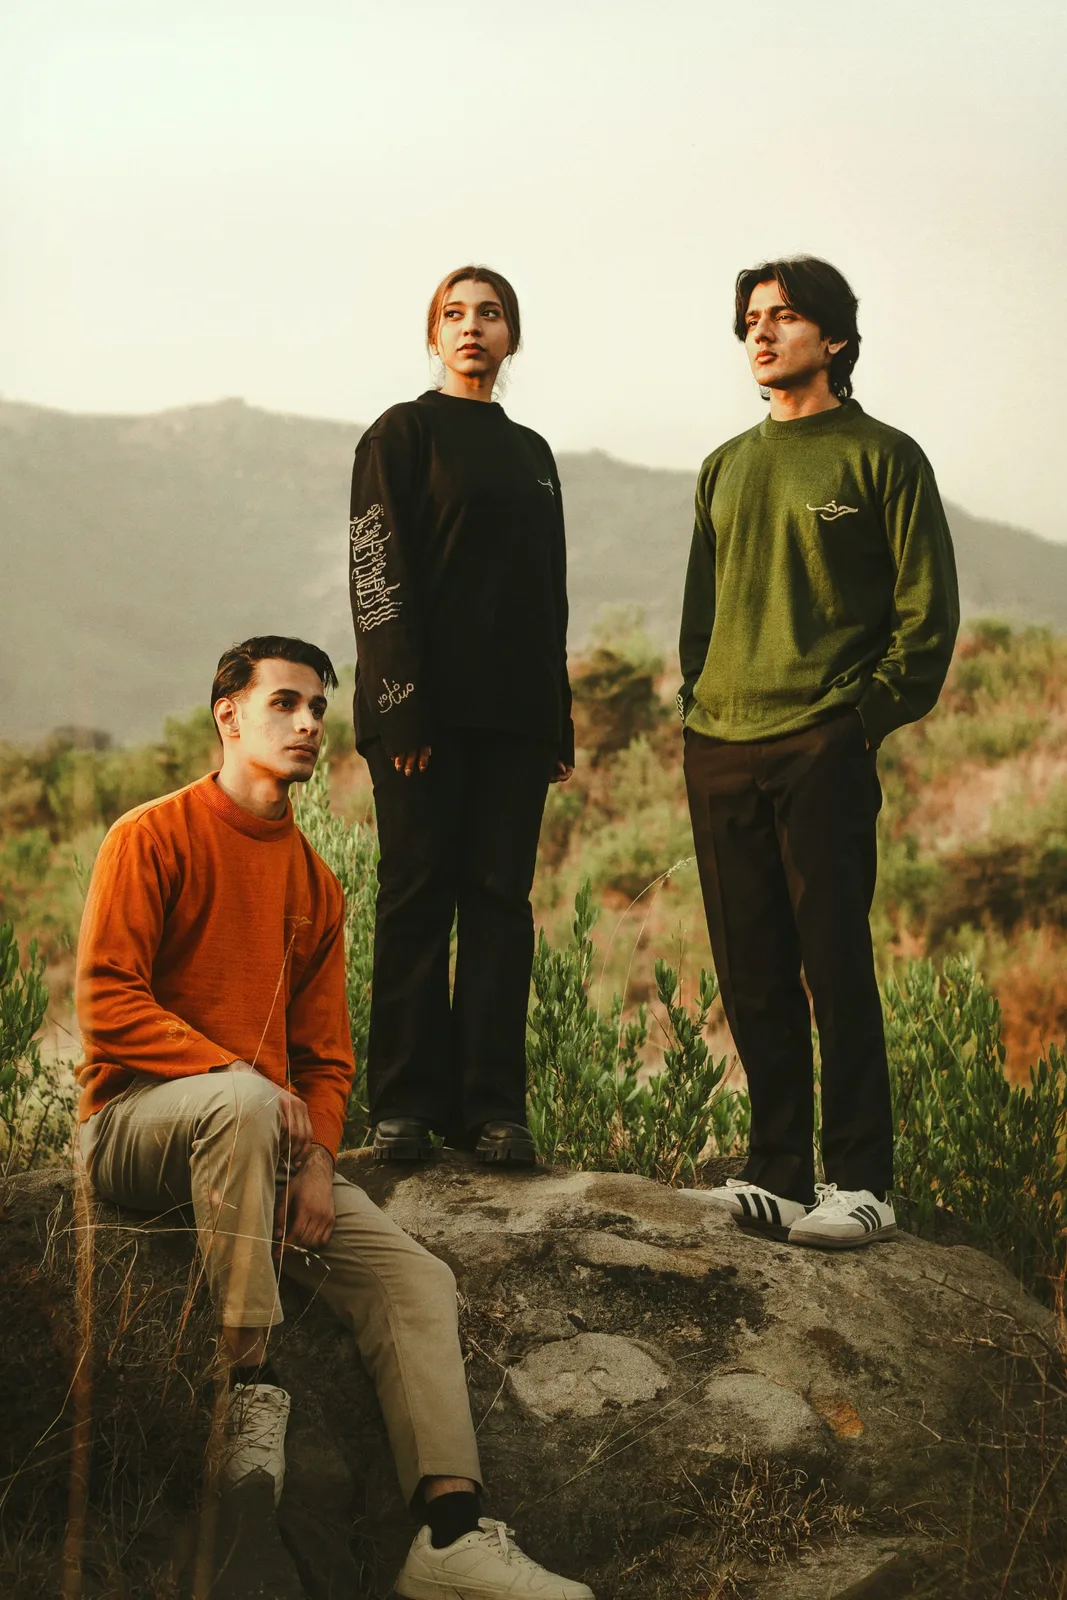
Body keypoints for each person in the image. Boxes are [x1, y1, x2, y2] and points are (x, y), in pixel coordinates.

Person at [75, 636, 593, 1600]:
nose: (310, 723)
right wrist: (251, 1091)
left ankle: (447, 1534)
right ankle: (245, 1390)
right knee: (237, 1101)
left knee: (412, 1278)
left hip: (261, 1140)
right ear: (229, 715)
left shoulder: (314, 881)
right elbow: (107, 1003)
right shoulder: (151, 835)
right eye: (286, 703)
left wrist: (315, 1160)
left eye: (319, 706)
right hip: (132, 1125)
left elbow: (323, 1059)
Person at [679, 257, 959, 1250]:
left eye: (784, 318)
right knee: (748, 967)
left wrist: (857, 720)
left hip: (820, 743)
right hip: (719, 743)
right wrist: (695, 708)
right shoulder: (722, 464)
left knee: (831, 958)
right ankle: (775, 1172)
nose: (760, 335)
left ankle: (861, 1179)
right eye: (750, 320)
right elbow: (698, 620)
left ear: (832, 338)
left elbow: (925, 618)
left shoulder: (881, 457)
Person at [348, 265, 574, 1165]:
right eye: (454, 314)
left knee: (498, 906)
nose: (471, 326)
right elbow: (376, 570)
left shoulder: (533, 454)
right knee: (414, 898)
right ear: (433, 337)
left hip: (514, 717)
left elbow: (546, 591)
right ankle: (402, 1105)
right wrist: (402, 710)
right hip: (422, 719)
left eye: (488, 314)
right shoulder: (401, 433)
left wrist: (554, 715)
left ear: (510, 336)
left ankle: (491, 1110)